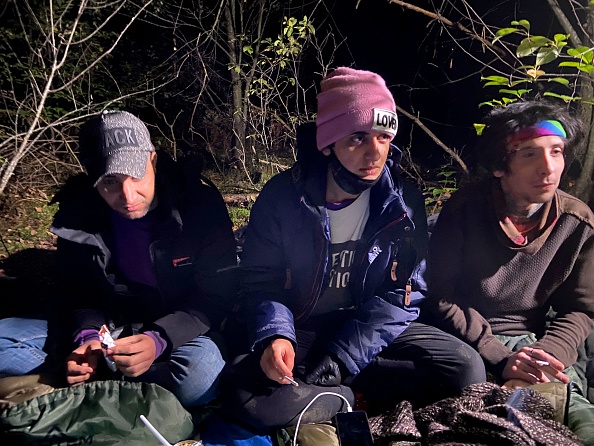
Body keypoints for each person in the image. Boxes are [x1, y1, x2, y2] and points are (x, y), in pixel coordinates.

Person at [221, 67, 486, 431]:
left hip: (365, 322)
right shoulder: (284, 197)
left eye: (383, 136)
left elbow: (404, 293)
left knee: (465, 368)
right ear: (328, 142)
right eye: (357, 138)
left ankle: (333, 387)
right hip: (303, 325)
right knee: (245, 398)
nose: (374, 152)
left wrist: (344, 356)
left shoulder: (403, 200)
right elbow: (259, 281)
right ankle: (345, 396)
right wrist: (276, 334)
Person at [0, 110, 238, 407]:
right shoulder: (79, 215)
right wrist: (85, 336)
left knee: (198, 377)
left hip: (181, 329)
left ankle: (92, 385)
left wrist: (158, 340)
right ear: (92, 180)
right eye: (110, 182)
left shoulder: (198, 206)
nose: (127, 195)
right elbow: (76, 293)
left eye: (136, 175)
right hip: (111, 325)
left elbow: (216, 296)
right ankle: (107, 377)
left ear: (152, 160)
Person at [423, 100, 594, 443]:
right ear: (501, 166)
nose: (548, 168)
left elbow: (581, 307)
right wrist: (501, 357)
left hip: (538, 342)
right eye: (529, 154)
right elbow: (438, 297)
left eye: (557, 151)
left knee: (579, 419)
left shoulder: (577, 222)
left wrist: (549, 353)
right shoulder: (465, 210)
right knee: (498, 424)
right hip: (471, 339)